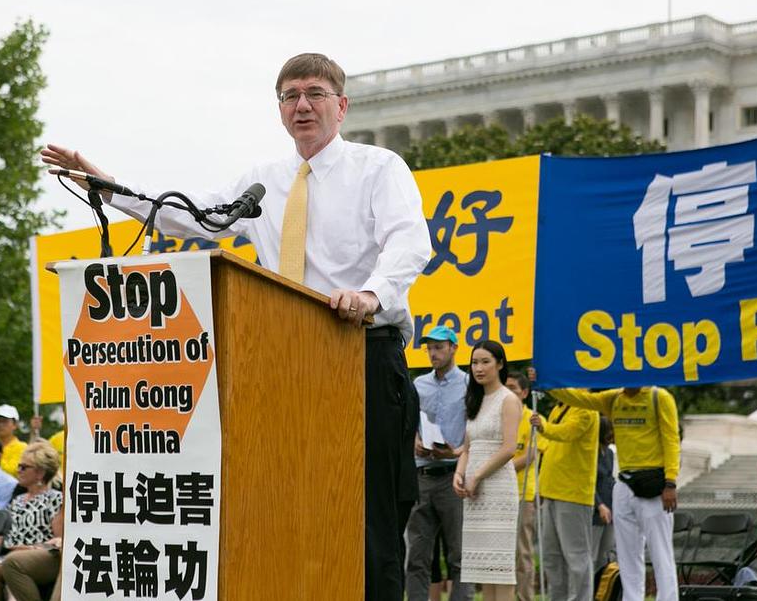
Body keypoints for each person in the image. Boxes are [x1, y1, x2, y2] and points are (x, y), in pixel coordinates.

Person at [41, 52, 431, 600]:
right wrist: (108, 186)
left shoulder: (379, 168)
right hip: (284, 362)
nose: (302, 105)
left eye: (315, 93)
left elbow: (409, 241)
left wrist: (369, 294)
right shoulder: (264, 183)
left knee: (369, 522)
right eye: (289, 96)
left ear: (341, 106)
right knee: (287, 511)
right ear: (279, 111)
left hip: (361, 356)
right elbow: (194, 215)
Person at [547, 385, 680, 601]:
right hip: (624, 484)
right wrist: (546, 380)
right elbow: (577, 398)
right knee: (627, 556)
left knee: (661, 554)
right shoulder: (614, 398)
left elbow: (671, 440)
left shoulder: (659, 397)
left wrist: (671, 482)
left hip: (654, 485)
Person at [406, 326, 470, 601]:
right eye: (430, 347)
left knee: (458, 555)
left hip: (453, 477)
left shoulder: (469, 384)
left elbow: (476, 428)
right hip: (422, 475)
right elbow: (407, 423)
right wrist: (415, 440)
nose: (433, 352)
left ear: (454, 348)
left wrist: (455, 452)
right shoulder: (419, 384)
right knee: (418, 556)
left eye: (439, 347)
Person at [453, 340, 520, 601]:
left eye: (485, 362)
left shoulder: (509, 399)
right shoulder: (474, 400)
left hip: (498, 488)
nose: (478, 368)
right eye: (474, 362)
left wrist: (477, 475)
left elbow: (509, 448)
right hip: (474, 492)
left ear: (500, 364)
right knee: (483, 569)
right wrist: (459, 474)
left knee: (500, 568)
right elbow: (467, 448)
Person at [0, 441, 63, 601]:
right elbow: (7, 533)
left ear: (39, 473)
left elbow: (60, 542)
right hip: (9, 552)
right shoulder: (17, 500)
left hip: (40, 556)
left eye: (24, 467)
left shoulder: (55, 499)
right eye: (19, 466)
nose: (18, 470)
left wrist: (29, 548)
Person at [529, 393, 599, 601]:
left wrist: (543, 426)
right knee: (552, 558)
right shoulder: (559, 409)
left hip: (573, 495)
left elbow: (567, 433)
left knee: (576, 558)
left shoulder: (586, 408)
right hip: (551, 492)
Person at [504, 371, 544, 601]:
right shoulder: (500, 417)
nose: (508, 393)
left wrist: (499, 467)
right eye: (505, 387)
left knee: (523, 553)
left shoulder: (532, 418)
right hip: (500, 496)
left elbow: (530, 455)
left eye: (513, 389)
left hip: (522, 495)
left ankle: (526, 597)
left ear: (525, 392)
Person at [592, 415, 616, 568]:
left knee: (605, 554)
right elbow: (590, 483)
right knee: (592, 554)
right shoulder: (591, 453)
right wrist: (599, 505)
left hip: (610, 508)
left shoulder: (609, 453)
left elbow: (609, 478)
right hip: (595, 511)